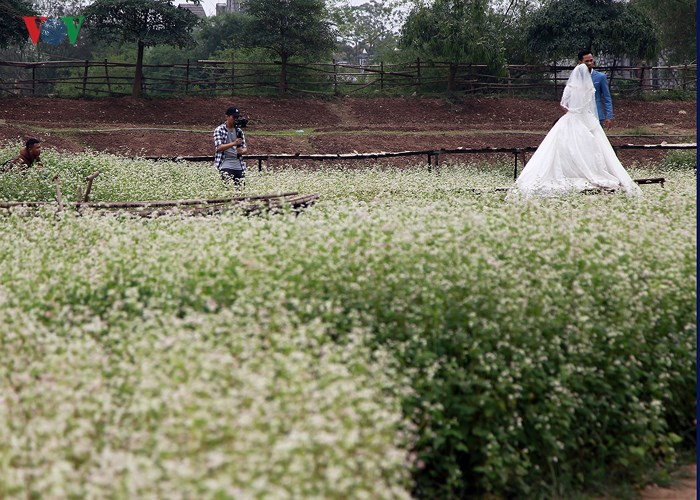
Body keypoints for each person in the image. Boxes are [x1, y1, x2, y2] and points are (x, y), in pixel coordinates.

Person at [510, 63, 641, 197]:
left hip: (571, 118)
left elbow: (563, 104)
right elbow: (591, 105)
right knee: (591, 146)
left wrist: (572, 111)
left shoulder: (570, 87)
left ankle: (569, 172)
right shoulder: (589, 88)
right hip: (585, 118)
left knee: (563, 146)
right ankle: (591, 172)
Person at [213, 106, 248, 186]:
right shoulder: (219, 130)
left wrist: (242, 151)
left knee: (241, 189)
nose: (236, 119)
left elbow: (245, 147)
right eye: (234, 117)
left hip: (238, 164)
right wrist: (234, 143)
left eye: (237, 117)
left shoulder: (239, 131)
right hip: (225, 163)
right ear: (227, 117)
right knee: (227, 187)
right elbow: (219, 148)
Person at [578, 51, 613, 130]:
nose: (590, 63)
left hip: (597, 115)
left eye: (591, 60)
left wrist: (608, 116)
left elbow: (607, 98)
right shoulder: (576, 77)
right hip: (580, 115)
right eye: (587, 61)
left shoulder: (600, 77)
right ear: (580, 62)